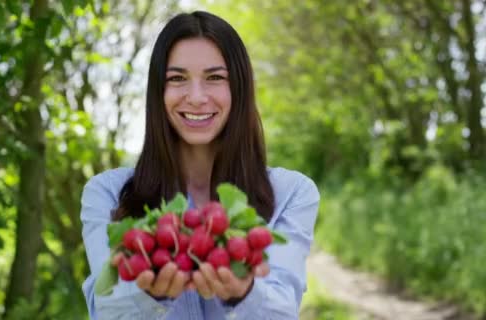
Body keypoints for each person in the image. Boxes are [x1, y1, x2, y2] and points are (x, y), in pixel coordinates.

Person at [80, 10, 319, 320]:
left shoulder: (292, 193)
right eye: (177, 79)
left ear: (239, 89)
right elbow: (105, 309)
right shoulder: (107, 193)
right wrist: (149, 293)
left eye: (215, 78)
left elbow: (283, 311)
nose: (195, 97)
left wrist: (245, 294)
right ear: (158, 92)